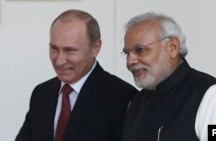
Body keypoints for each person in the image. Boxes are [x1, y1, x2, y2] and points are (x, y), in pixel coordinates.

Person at [15, 9, 138, 141]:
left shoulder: (123, 98)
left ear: (95, 48)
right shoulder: (41, 93)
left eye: (70, 50)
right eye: (54, 49)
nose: (60, 60)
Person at [121, 12, 216, 141]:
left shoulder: (214, 94)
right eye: (127, 53)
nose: (130, 61)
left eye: (140, 50)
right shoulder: (136, 102)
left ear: (172, 47)